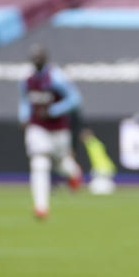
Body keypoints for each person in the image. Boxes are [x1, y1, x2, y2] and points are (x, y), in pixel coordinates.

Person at [18, 43, 83, 219]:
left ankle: (74, 173)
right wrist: (24, 116)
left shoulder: (57, 78)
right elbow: (24, 100)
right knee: (39, 162)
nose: (36, 61)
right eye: (34, 58)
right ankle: (41, 207)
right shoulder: (27, 80)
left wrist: (53, 110)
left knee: (61, 164)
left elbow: (75, 99)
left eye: (39, 57)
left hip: (58, 130)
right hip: (37, 127)